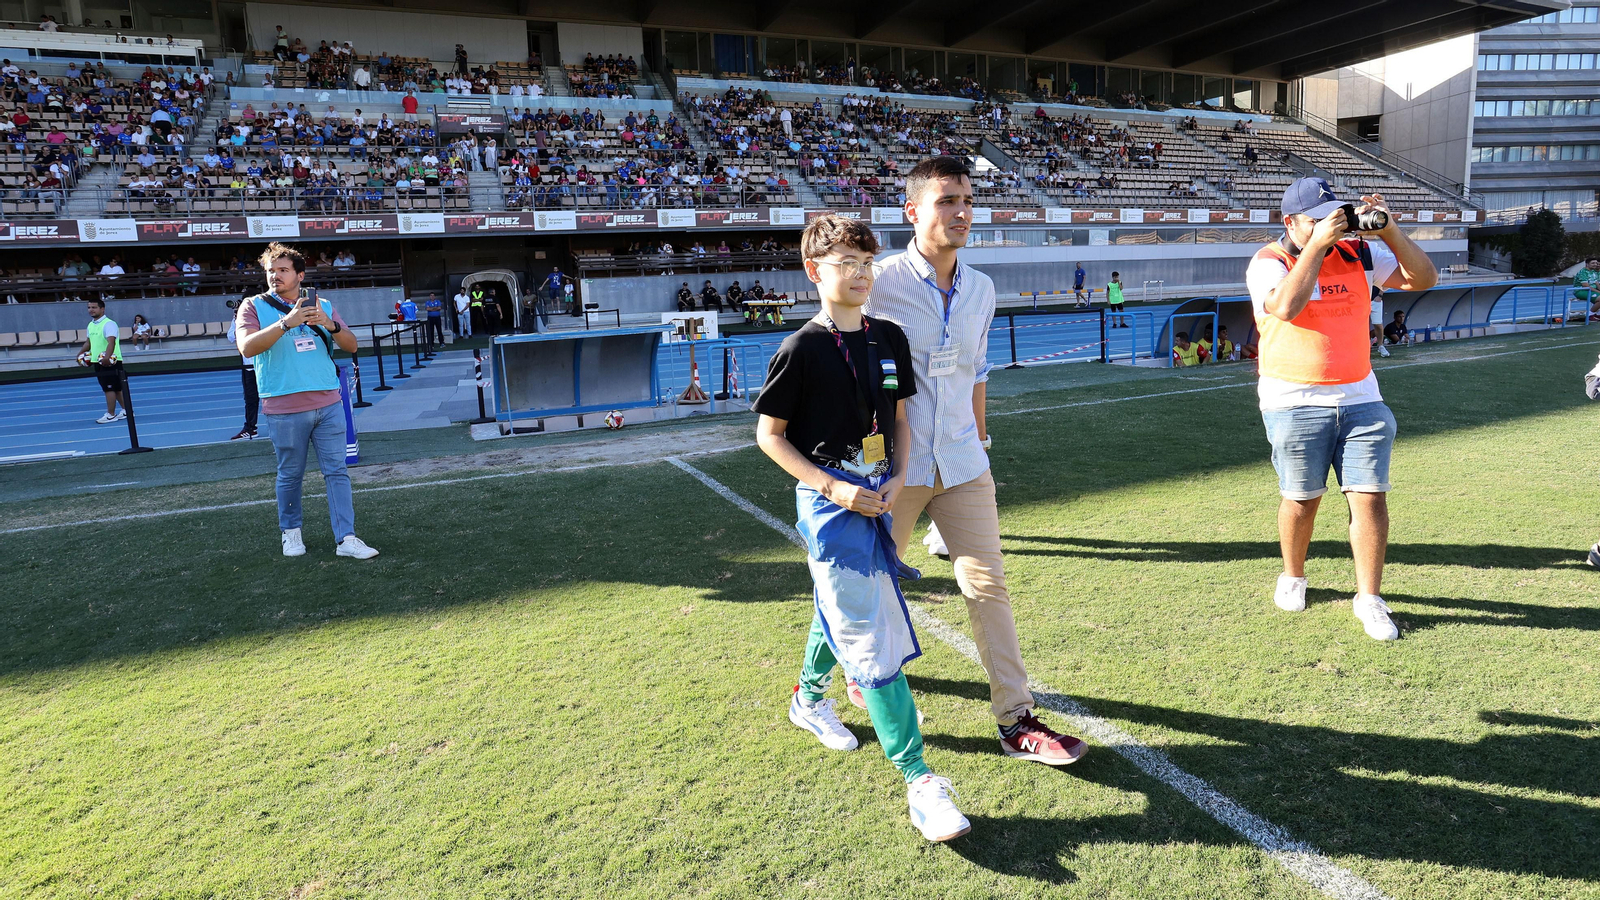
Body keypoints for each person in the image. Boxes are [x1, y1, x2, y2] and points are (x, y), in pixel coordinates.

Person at [753, 214, 969, 843]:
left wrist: (898, 477)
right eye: (845, 263)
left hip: (880, 493)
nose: (859, 275)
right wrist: (833, 485)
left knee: (842, 608)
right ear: (813, 270)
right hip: (832, 504)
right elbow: (769, 437)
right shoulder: (801, 348)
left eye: (866, 262)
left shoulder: (889, 336)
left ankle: (808, 698)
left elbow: (898, 417)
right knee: (871, 634)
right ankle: (920, 780)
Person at [868, 156, 1088, 766]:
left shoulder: (983, 289)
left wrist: (982, 441)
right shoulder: (879, 281)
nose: (961, 211)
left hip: (964, 462)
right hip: (896, 467)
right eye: (946, 200)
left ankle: (1016, 719)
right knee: (867, 585)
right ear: (911, 211)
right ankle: (824, 685)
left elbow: (975, 372)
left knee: (988, 586)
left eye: (966, 199)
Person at [1246, 177, 1437, 641]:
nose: (1336, 224)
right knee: (1302, 499)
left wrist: (1390, 230)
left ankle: (1369, 598)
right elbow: (1286, 307)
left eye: (1338, 215)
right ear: (1291, 222)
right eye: (1319, 218)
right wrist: (1315, 247)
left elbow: (1425, 278)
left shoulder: (1360, 254)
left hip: (1361, 397)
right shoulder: (1269, 262)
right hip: (1294, 400)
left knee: (1370, 497)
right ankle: (1293, 575)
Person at [234, 243, 379, 560]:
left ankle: (347, 539)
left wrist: (329, 324)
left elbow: (352, 345)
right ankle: (291, 533)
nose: (275, 276)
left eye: (283, 270)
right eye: (271, 271)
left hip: (328, 402)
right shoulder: (253, 306)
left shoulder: (323, 303)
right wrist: (288, 321)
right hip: (284, 408)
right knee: (289, 474)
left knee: (337, 472)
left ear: (300, 275)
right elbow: (247, 347)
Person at [81, 299, 127, 424]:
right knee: (116, 388)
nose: (91, 310)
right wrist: (80, 353)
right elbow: (88, 342)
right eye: (89, 307)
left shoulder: (109, 324)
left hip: (109, 361)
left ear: (102, 309)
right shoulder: (91, 324)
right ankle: (126, 410)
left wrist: (107, 357)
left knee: (109, 388)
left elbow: (111, 341)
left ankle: (111, 415)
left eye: (94, 307)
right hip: (97, 361)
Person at [226, 311, 260, 440]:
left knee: (275, 396)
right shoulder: (238, 318)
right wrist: (237, 321)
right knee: (250, 399)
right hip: (248, 366)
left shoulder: (262, 315)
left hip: (265, 365)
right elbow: (230, 336)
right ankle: (251, 429)